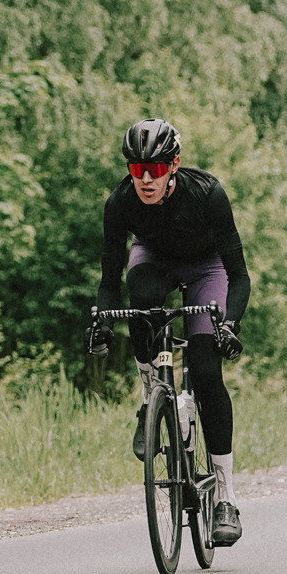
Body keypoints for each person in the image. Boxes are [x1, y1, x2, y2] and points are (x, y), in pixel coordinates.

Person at [91, 119, 250, 544]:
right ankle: (151, 396)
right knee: (141, 304)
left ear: (174, 165)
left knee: (205, 371)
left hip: (207, 269)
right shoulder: (120, 203)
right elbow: (109, 280)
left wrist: (229, 325)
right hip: (154, 260)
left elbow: (239, 274)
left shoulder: (207, 194)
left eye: (156, 170)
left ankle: (225, 498)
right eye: (136, 169)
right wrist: (103, 321)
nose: (145, 179)